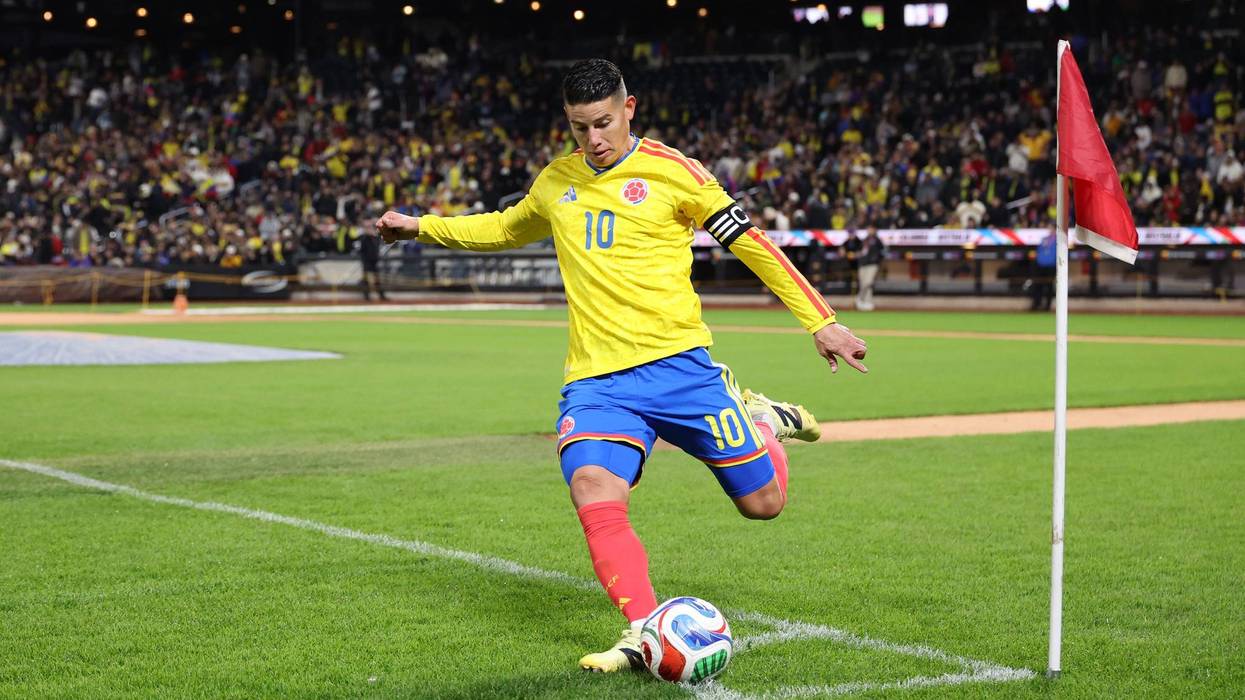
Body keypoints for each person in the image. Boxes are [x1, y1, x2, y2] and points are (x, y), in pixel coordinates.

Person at [375, 59, 868, 674]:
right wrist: (421, 227)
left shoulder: (675, 173)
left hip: (681, 369)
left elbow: (752, 245)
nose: (594, 140)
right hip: (598, 381)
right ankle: (642, 631)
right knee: (593, 489)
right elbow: (503, 228)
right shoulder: (557, 181)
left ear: (629, 108)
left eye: (603, 123)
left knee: (763, 505)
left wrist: (820, 320)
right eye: (580, 128)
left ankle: (762, 421)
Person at [855, 226, 886, 311]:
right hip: (862, 264)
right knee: (863, 283)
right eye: (868, 229)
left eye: (871, 229)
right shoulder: (864, 240)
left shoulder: (877, 240)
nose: (869, 230)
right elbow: (859, 251)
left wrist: (877, 261)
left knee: (868, 282)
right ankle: (866, 302)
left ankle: (861, 299)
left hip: (872, 264)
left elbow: (883, 251)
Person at [357, 226, 388, 301]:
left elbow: (376, 250)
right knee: (366, 280)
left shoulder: (376, 239)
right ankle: (366, 296)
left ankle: (381, 295)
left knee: (377, 280)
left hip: (374, 262)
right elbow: (361, 250)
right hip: (367, 262)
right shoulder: (364, 239)